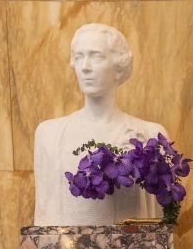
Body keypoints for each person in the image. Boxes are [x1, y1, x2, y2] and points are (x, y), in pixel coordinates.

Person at [34, 23, 168, 226]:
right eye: (79, 57)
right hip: (67, 247)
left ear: (118, 66)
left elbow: (160, 224)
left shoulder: (150, 134)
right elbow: (43, 218)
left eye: (96, 56)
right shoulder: (49, 134)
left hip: (130, 246)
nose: (85, 67)